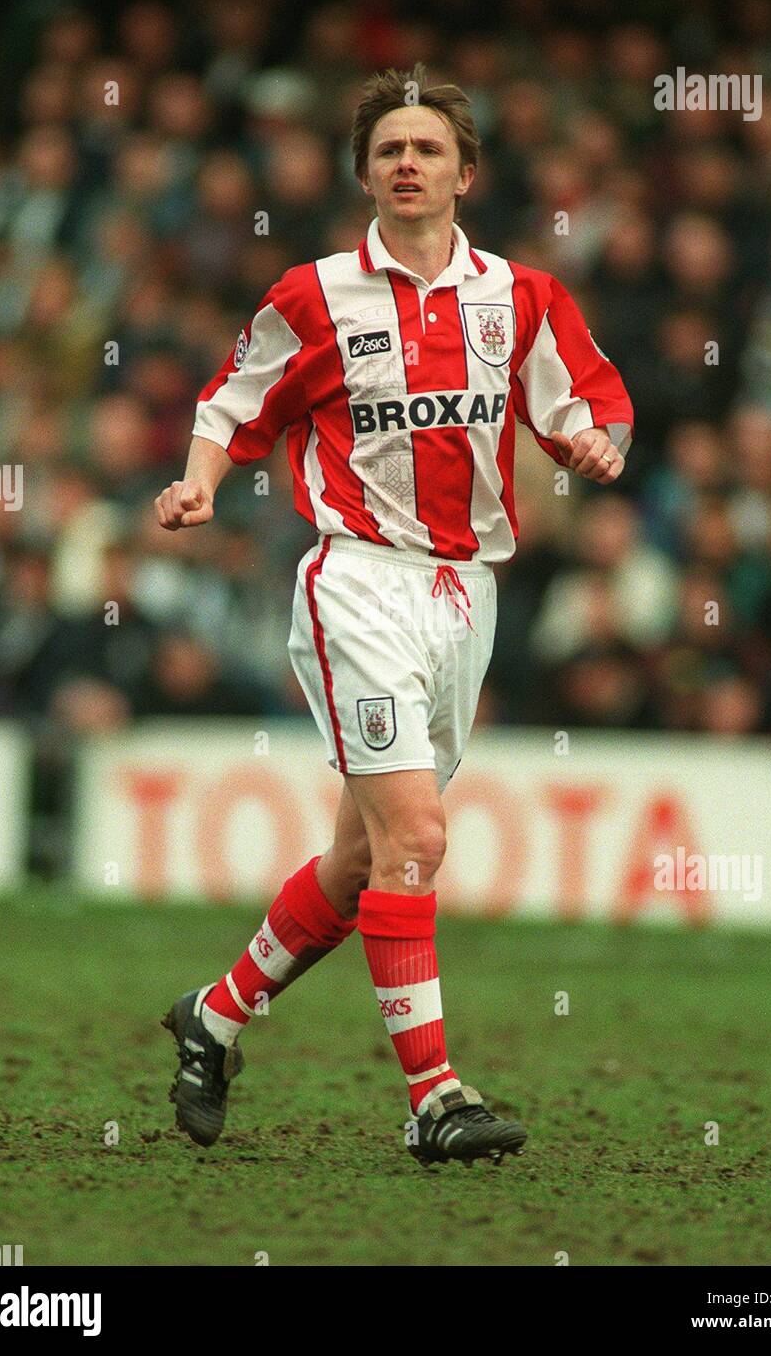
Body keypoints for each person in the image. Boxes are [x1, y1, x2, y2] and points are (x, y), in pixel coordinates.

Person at [154, 64, 633, 1168]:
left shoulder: (521, 297)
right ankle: (433, 1097)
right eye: (387, 152)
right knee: (415, 837)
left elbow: (585, 402)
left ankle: (213, 1018)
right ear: (364, 175)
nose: (406, 165)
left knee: (362, 862)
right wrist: (200, 482)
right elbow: (232, 403)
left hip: (467, 596)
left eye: (425, 150)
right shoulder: (313, 294)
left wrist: (596, 443)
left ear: (466, 173)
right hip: (359, 580)